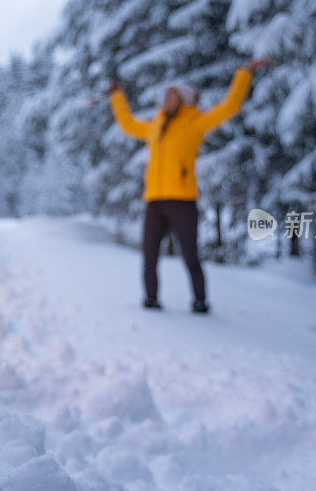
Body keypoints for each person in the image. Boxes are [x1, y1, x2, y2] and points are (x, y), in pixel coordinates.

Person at [109, 59, 270, 314]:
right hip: (154, 200)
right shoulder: (155, 127)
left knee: (190, 256)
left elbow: (230, 106)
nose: (166, 98)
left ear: (183, 99)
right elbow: (128, 124)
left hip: (182, 201)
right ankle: (151, 299)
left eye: (172, 95)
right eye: (165, 95)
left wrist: (244, 73)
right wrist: (117, 96)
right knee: (149, 255)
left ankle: (200, 301)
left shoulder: (195, 124)